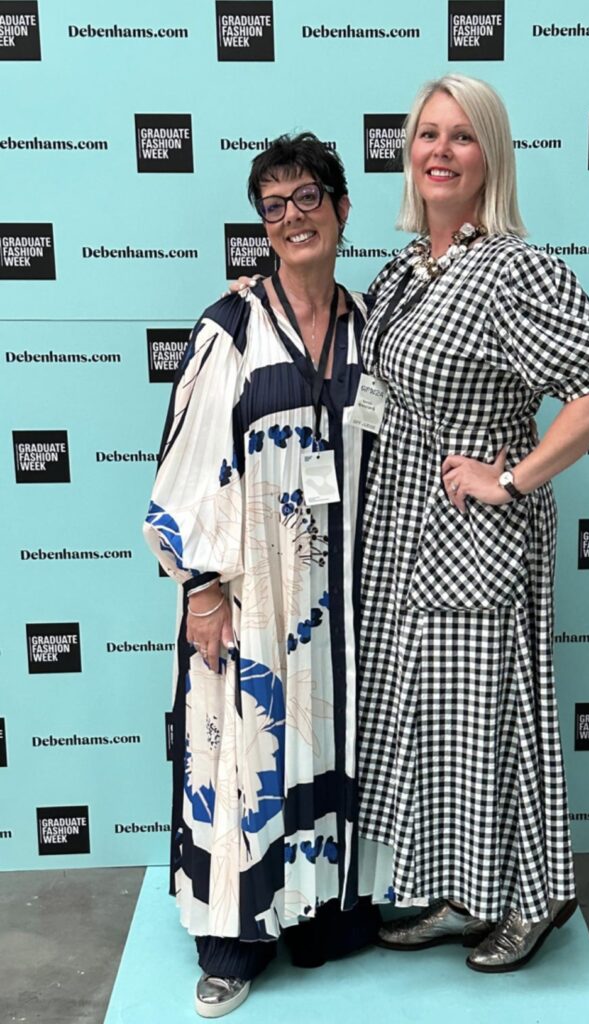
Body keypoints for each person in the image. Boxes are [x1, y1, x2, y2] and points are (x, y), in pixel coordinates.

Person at [355, 74, 589, 973]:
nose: (439, 151)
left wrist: (510, 478)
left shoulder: (512, 268)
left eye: (461, 136)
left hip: (476, 534)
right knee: (440, 724)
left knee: (496, 721)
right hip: (404, 532)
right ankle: (465, 892)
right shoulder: (407, 267)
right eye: (427, 134)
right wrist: (262, 290)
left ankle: (535, 896)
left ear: (491, 156)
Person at [143, 133, 382, 1018]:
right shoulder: (231, 328)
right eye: (273, 207)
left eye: (307, 197)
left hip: (345, 598)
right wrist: (200, 588)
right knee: (245, 754)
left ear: (342, 208)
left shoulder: (371, 325)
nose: (291, 218)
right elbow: (187, 465)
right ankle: (235, 940)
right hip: (252, 596)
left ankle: (320, 915)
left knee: (333, 749)